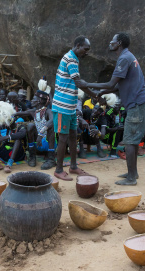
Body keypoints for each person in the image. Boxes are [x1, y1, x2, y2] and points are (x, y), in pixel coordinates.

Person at [85, 32, 145, 185]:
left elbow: (110, 84)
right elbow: (116, 86)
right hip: (139, 102)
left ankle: (131, 178)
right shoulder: (128, 57)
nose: (110, 42)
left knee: (129, 141)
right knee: (132, 141)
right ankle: (132, 173)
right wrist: (101, 92)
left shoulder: (124, 58)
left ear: (119, 43)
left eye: (112, 40)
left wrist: (87, 84)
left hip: (137, 103)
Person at [51, 36, 98, 181]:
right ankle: (59, 169)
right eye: (85, 49)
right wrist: (95, 95)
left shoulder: (74, 58)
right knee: (64, 137)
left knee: (73, 136)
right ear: (78, 46)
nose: (86, 52)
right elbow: (78, 82)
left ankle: (73, 166)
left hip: (70, 106)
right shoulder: (71, 59)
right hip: (62, 106)